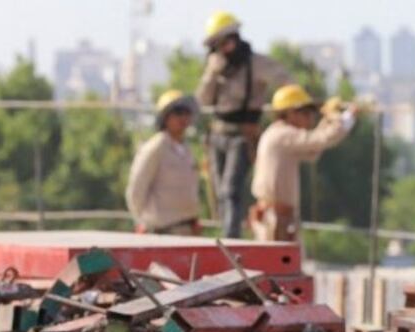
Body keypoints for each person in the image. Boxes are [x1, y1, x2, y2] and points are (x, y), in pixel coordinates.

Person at [196, 10, 293, 238]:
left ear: (236, 38)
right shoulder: (217, 68)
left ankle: (231, 240)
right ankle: (227, 232)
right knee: (221, 192)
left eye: (227, 42)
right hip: (217, 135)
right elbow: (203, 100)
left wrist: (281, 107)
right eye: (218, 45)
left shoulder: (257, 64)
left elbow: (286, 82)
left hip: (242, 136)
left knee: (231, 190)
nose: (224, 48)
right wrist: (212, 73)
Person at [250, 86, 358, 242]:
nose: (310, 118)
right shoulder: (284, 135)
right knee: (280, 264)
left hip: (275, 216)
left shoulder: (277, 134)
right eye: (305, 112)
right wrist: (345, 118)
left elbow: (313, 150)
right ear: (289, 113)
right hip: (276, 218)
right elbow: (321, 140)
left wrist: (328, 120)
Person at [125, 90, 200, 235]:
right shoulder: (155, 148)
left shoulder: (186, 150)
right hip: (160, 232)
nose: (184, 117)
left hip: (186, 230)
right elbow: (136, 190)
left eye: (186, 112)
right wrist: (141, 221)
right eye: (178, 112)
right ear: (165, 117)